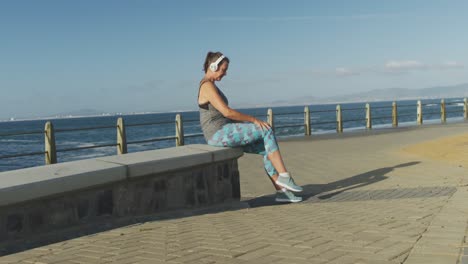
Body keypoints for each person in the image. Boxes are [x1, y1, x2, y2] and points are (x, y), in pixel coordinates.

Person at [198, 51, 303, 203]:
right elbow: (227, 112)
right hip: (218, 134)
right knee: (266, 129)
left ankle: (282, 193)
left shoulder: (212, 86)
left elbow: (226, 116)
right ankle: (284, 176)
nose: (225, 73)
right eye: (223, 70)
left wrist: (245, 125)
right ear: (213, 66)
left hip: (224, 131)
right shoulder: (207, 86)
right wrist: (253, 121)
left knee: (267, 147)